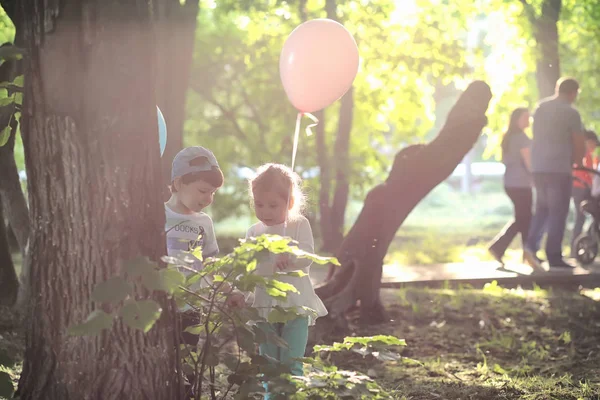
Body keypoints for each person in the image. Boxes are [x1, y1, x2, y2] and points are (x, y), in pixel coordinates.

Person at [245, 163, 327, 397]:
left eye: (273, 205)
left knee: (292, 363)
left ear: (289, 203)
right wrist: (241, 294)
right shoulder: (253, 232)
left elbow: (307, 257)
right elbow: (250, 269)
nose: (265, 211)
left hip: (295, 305)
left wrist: (289, 254)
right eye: (259, 204)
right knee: (269, 364)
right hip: (264, 307)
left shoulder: (298, 225)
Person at [524, 77, 586, 269]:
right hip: (558, 168)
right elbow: (578, 140)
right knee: (558, 212)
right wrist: (577, 162)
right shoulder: (571, 112)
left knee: (542, 209)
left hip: (539, 168)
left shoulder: (541, 108)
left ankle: (530, 247)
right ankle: (554, 256)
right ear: (573, 93)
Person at [165, 146, 223, 346]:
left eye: (213, 193)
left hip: (191, 306)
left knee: (188, 355)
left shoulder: (204, 222)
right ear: (179, 182)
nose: (208, 199)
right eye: (203, 191)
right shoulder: (159, 215)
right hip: (161, 304)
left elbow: (210, 261)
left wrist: (226, 289)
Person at [488, 108, 532, 265]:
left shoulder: (508, 137)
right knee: (524, 219)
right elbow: (529, 162)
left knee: (523, 218)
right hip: (521, 184)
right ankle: (522, 252)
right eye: (526, 117)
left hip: (510, 183)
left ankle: (527, 253)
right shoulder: (521, 138)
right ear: (517, 119)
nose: (529, 120)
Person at [570, 130, 599, 257]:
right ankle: (576, 249)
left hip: (580, 188)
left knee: (586, 217)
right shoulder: (585, 153)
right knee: (581, 218)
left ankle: (579, 247)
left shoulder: (579, 151)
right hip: (581, 188)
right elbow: (591, 173)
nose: (594, 147)